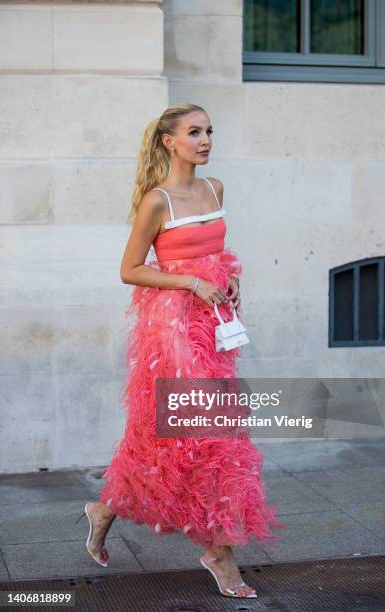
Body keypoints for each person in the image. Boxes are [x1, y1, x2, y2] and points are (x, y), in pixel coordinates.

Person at [76, 103, 286, 599]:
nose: (206, 139)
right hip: (171, 330)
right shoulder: (158, 201)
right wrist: (192, 281)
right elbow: (131, 269)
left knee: (169, 437)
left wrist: (231, 279)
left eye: (210, 130)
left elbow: (216, 253)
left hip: (213, 328)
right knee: (212, 437)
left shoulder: (215, 189)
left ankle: (105, 508)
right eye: (195, 132)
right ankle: (220, 552)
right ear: (170, 141)